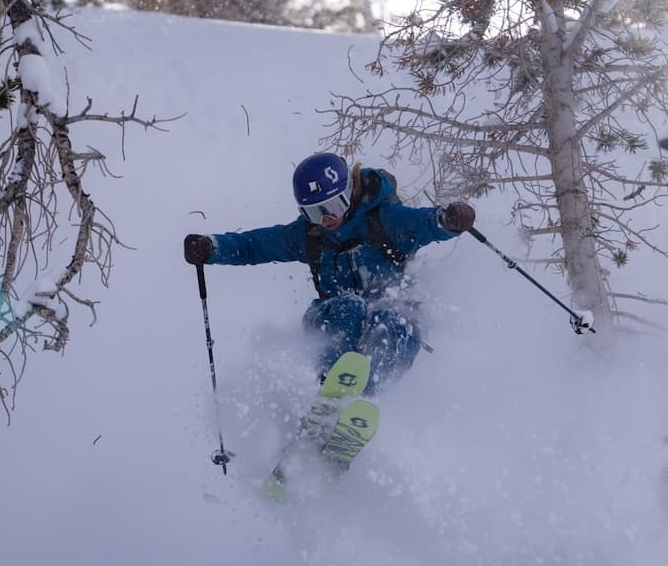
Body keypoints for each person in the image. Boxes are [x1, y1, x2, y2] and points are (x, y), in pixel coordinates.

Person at [183, 153, 476, 393]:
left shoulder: (387, 220)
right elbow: (254, 245)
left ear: (350, 192)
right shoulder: (309, 236)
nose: (326, 219)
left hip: (392, 313)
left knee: (393, 322)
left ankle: (361, 404)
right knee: (350, 307)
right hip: (333, 316)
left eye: (334, 206)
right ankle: (329, 396)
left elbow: (425, 223)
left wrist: (448, 220)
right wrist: (213, 248)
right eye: (314, 212)